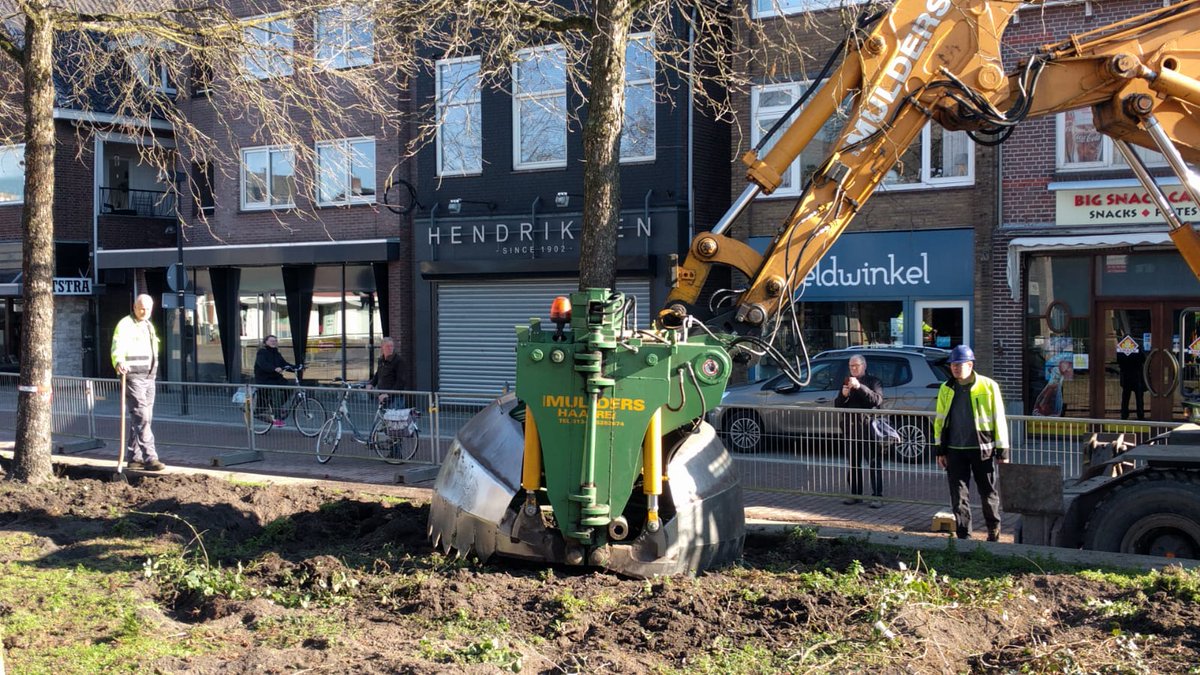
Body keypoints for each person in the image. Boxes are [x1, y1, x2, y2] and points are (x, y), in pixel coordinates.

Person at [933, 345, 1009, 541]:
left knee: (988, 493)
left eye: (959, 365)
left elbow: (998, 418)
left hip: (981, 449)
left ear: (970, 364)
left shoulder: (988, 386)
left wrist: (1003, 451)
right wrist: (940, 450)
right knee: (958, 496)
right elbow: (940, 421)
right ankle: (963, 535)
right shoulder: (946, 388)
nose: (955, 368)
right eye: (952, 365)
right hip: (954, 450)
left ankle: (994, 531)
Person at [111, 294, 165, 471]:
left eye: (148, 309)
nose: (145, 311)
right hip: (133, 376)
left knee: (144, 417)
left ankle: (134, 457)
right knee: (142, 416)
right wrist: (119, 361)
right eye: (141, 308)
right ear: (134, 307)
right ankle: (150, 457)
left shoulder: (148, 325)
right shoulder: (125, 324)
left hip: (149, 377)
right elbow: (118, 346)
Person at [834, 355, 885, 508]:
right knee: (853, 464)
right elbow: (838, 405)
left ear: (864, 365)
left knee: (874, 463)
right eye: (851, 366)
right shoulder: (847, 381)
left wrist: (860, 387)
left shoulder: (873, 381)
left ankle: (877, 496)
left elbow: (876, 400)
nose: (853, 369)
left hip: (868, 428)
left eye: (856, 365)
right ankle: (855, 494)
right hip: (850, 428)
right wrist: (843, 395)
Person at [253, 335, 293, 426]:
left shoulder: (276, 353)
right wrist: (274, 368)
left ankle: (277, 406)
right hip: (264, 380)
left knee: (289, 388)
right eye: (271, 341)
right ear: (266, 342)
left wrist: (296, 367)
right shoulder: (261, 352)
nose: (274, 342)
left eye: (275, 340)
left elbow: (284, 364)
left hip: (275, 378)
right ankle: (277, 418)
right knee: (277, 393)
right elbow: (263, 364)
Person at [367, 337, 404, 408]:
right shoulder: (381, 360)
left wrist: (388, 394)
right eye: (387, 346)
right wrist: (371, 384)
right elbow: (378, 373)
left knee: (393, 418)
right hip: (382, 396)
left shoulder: (399, 361)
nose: (390, 348)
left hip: (394, 398)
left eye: (391, 346)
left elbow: (401, 381)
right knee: (384, 418)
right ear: (382, 347)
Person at [1116, 347, 1147, 420]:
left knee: (1125, 397)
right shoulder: (1137, 347)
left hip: (1126, 376)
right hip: (1136, 375)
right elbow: (1143, 359)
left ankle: (1124, 414)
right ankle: (1140, 414)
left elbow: (1119, 360)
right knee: (1139, 397)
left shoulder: (1121, 347)